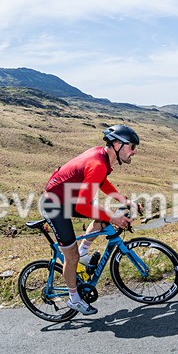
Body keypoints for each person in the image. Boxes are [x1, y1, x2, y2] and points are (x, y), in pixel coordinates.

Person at [39, 125, 142, 315]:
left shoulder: (103, 157)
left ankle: (84, 251)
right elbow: (82, 206)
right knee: (71, 256)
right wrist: (114, 218)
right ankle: (74, 298)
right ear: (118, 145)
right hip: (53, 205)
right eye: (132, 147)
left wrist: (123, 200)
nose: (134, 151)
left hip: (67, 199)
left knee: (103, 218)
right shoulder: (98, 163)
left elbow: (102, 182)